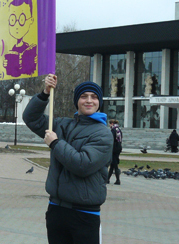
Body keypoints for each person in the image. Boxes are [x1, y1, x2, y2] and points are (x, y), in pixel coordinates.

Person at [23, 75, 113, 244]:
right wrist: (45, 93)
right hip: (56, 210)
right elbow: (31, 119)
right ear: (76, 101)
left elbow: (83, 164)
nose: (89, 101)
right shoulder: (62, 124)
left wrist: (55, 143)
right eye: (83, 96)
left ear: (99, 102)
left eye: (93, 97)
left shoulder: (103, 133)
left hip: (84, 214)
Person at [107, 119, 123, 185]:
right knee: (113, 164)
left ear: (112, 123)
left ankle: (117, 180)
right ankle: (108, 179)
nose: (109, 125)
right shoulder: (119, 130)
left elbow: (111, 139)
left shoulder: (113, 130)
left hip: (114, 148)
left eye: (110, 124)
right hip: (118, 147)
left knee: (114, 164)